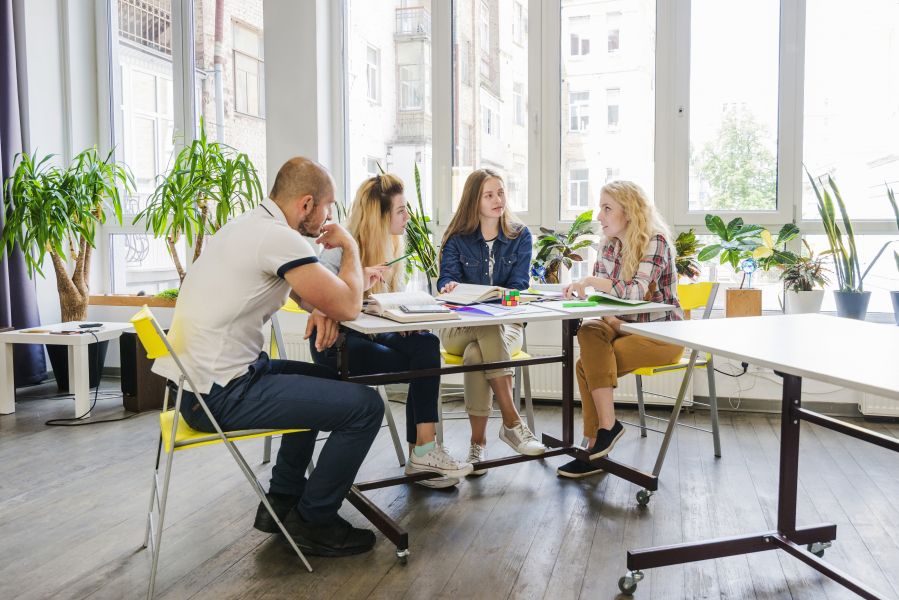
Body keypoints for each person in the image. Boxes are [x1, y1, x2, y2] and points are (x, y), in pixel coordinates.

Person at [152, 157, 385, 557]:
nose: (330, 217)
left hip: (201, 385)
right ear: (307, 204)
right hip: (220, 395)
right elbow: (348, 305)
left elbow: (309, 294)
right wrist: (348, 245)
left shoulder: (251, 228)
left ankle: (281, 501)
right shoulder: (280, 239)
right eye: (328, 207)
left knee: (327, 384)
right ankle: (315, 520)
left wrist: (319, 306)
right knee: (365, 407)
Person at [314, 173, 473, 488]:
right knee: (423, 365)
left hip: (371, 336)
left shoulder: (391, 245)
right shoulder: (339, 248)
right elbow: (316, 300)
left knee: (425, 345)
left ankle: (423, 452)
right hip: (338, 346)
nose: (408, 216)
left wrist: (405, 323)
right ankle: (423, 456)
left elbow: (383, 308)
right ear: (379, 216)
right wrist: (359, 279)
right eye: (401, 210)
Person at [556, 180, 685, 478]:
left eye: (606, 208)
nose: (599, 216)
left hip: (661, 335)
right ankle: (605, 431)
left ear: (629, 212)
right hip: (619, 327)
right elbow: (605, 305)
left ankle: (593, 447)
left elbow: (637, 292)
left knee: (585, 366)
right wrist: (587, 297)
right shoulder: (609, 244)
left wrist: (590, 283)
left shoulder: (656, 241)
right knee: (588, 332)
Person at [437, 168, 546, 475]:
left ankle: (477, 444)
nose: (498, 200)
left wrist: (501, 297)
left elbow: (520, 287)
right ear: (475, 200)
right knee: (483, 326)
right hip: (457, 326)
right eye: (489, 195)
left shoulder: (519, 236)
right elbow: (446, 279)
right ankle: (512, 422)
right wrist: (448, 286)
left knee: (476, 353)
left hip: (506, 325)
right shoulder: (457, 239)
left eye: (500, 193)